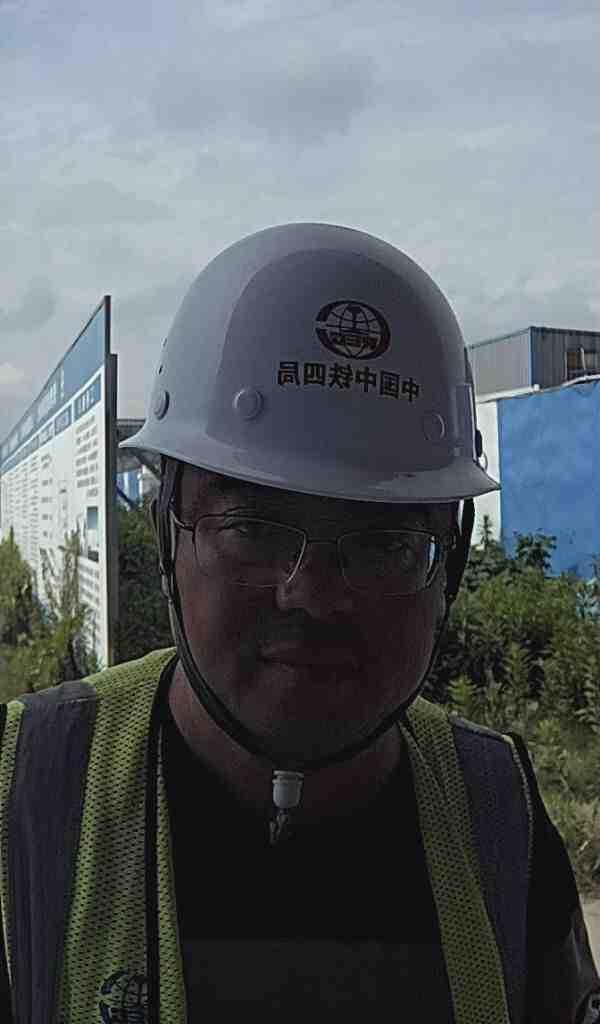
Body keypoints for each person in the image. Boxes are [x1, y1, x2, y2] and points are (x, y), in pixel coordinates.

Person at [0, 222, 599, 1023]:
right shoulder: (25, 794)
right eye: (254, 527)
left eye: (383, 543)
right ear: (167, 530)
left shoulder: (498, 811)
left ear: (448, 563)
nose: (310, 594)